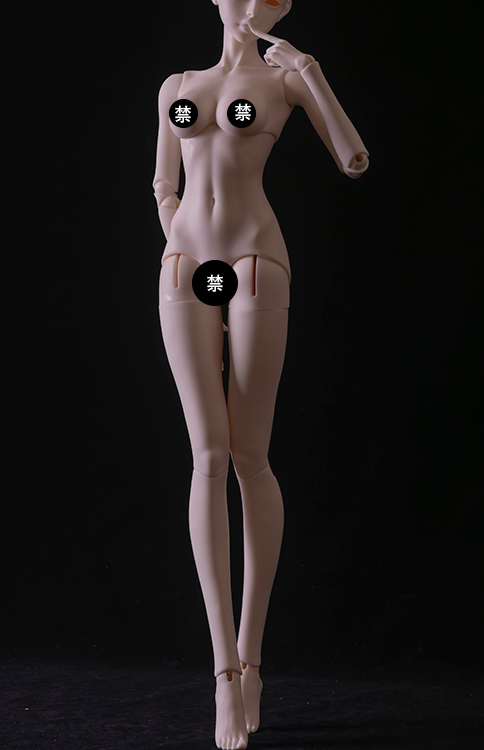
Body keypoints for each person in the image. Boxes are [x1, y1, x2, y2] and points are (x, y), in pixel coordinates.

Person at [153, 2, 369, 747]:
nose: (252, 7)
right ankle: (222, 672)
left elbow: (353, 159)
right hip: (188, 268)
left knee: (250, 456)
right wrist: (178, 235)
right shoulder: (177, 85)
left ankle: (252, 663)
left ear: (282, 7)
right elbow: (163, 183)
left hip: (253, 262)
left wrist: (310, 71)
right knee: (207, 457)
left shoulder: (283, 82)